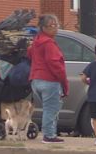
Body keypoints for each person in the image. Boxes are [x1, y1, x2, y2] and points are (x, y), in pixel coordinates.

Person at [27, 14, 69, 144]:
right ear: (44, 28)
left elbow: (29, 54)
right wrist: (64, 83)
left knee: (48, 107)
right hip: (49, 80)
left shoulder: (37, 41)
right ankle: (49, 135)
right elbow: (55, 64)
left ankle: (50, 133)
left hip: (35, 80)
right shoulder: (49, 43)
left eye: (57, 25)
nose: (56, 28)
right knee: (51, 108)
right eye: (52, 25)